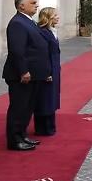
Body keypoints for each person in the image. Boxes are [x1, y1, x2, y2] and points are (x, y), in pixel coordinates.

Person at [2, 0, 51, 151]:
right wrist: (23, 71)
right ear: (21, 5)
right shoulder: (17, 23)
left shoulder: (28, 21)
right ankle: (14, 140)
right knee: (19, 108)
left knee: (27, 107)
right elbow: (17, 51)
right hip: (22, 75)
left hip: (33, 75)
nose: (37, 5)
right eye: (33, 3)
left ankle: (22, 135)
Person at [34, 7, 61, 136]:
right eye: (55, 15)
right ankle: (42, 128)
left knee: (51, 97)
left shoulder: (51, 31)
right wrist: (47, 72)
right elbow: (42, 54)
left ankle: (50, 126)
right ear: (48, 17)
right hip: (47, 69)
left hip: (54, 68)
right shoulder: (42, 32)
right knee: (44, 98)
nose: (58, 17)